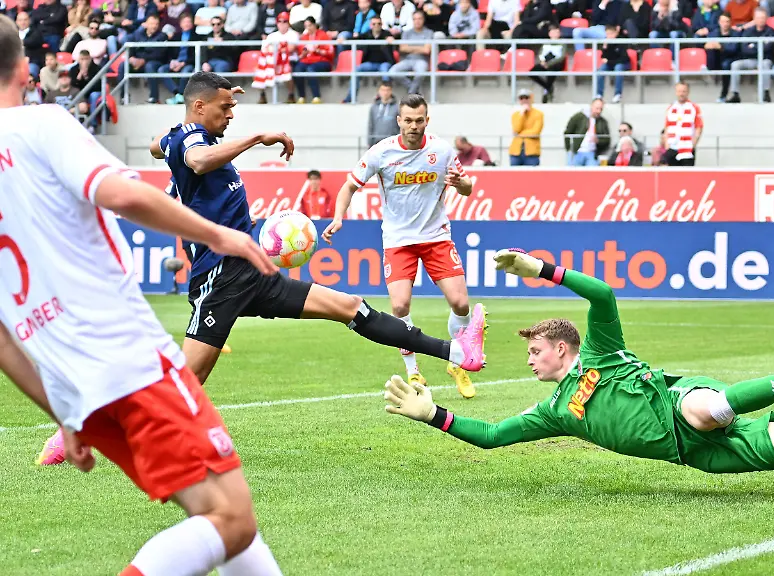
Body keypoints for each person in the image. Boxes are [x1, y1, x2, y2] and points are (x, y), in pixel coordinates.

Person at [0, 14, 286, 573]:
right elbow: (123, 195)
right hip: (127, 360)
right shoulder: (41, 124)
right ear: (25, 68)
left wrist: (63, 413)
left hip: (74, 386)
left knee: (220, 517)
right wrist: (218, 234)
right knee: (231, 519)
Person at [384, 249, 774, 478]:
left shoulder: (598, 351)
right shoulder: (554, 412)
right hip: (695, 455)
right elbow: (492, 436)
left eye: (535, 350)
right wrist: (432, 414)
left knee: (705, 409)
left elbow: (603, 296)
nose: (531, 361)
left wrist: (543, 270)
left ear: (562, 348)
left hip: (683, 403)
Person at [152, 74, 486, 386]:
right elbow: (198, 160)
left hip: (253, 273)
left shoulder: (180, 137)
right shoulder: (193, 141)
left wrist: (192, 120)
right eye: (225, 107)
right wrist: (256, 138)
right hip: (220, 279)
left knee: (352, 306)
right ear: (200, 106)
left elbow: (159, 145)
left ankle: (458, 353)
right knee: (187, 383)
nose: (231, 114)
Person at [323, 94, 483, 399]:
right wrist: (338, 217)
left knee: (461, 304)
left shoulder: (442, 150)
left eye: (419, 120)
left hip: (436, 237)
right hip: (398, 241)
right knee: (399, 307)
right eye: (407, 120)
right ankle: (413, 370)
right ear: (399, 121)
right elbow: (349, 186)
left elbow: (467, 188)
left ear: (427, 120)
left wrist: (460, 182)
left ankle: (458, 363)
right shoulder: (381, 152)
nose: (413, 126)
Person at [252, 11, 297, 104]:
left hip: (289, 59)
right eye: (280, 21)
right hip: (272, 60)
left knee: (287, 69)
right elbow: (265, 49)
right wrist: (279, 48)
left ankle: (291, 95)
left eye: (285, 21)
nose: (282, 24)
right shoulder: (272, 35)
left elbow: (291, 48)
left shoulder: (293, 34)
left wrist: (276, 49)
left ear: (288, 23)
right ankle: (262, 95)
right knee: (257, 70)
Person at [293, 16, 334, 103]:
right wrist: (304, 52)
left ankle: (316, 96)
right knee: (297, 69)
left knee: (310, 69)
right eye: (306, 26)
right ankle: (301, 96)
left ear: (314, 25)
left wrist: (317, 50)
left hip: (322, 61)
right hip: (307, 60)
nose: (308, 28)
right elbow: (301, 54)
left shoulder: (323, 35)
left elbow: (330, 52)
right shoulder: (304, 37)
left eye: (310, 25)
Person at [390, 10, 431, 95]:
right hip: (407, 60)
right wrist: (420, 47)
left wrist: (410, 48)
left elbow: (426, 50)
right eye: (415, 19)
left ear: (423, 20)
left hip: (421, 60)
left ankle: (411, 92)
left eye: (419, 19)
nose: (417, 21)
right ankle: (413, 90)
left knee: (420, 74)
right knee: (392, 72)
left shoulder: (429, 33)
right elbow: (402, 48)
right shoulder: (406, 33)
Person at [663, 80, 702, 166]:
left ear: (688, 92)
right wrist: (666, 144)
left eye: (684, 91)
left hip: (687, 148)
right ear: (676, 92)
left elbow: (699, 127)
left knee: (687, 173)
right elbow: (667, 127)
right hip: (672, 147)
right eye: (679, 91)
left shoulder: (694, 108)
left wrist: (693, 144)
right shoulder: (671, 108)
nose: (681, 94)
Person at [564, 97, 610, 166]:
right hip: (576, 152)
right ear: (591, 106)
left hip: (592, 153)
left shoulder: (603, 122)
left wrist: (598, 141)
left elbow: (607, 139)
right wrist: (569, 149)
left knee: (593, 171)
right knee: (573, 172)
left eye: (601, 109)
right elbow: (567, 133)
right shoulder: (578, 117)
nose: (599, 111)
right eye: (597, 108)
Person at [528, 25, 566, 103]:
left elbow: (561, 57)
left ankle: (546, 91)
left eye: (557, 32)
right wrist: (542, 61)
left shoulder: (563, 43)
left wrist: (549, 64)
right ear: (549, 33)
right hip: (545, 63)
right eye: (553, 32)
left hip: (556, 64)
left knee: (551, 70)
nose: (555, 33)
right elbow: (540, 54)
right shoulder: (546, 43)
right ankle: (548, 88)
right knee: (532, 72)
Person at [596, 24, 629, 103]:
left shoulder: (621, 41)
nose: (609, 36)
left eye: (611, 33)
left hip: (622, 63)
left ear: (616, 33)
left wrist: (609, 61)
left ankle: (617, 94)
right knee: (600, 70)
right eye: (607, 34)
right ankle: (599, 94)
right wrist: (605, 48)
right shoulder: (606, 42)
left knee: (618, 68)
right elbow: (603, 57)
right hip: (610, 64)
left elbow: (623, 58)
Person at [509, 88, 543, 166]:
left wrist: (520, 134)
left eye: (526, 98)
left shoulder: (538, 114)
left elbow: (535, 132)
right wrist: (522, 114)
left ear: (531, 99)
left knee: (531, 173)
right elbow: (516, 129)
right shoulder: (516, 115)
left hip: (531, 153)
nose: (524, 100)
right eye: (521, 98)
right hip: (515, 152)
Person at [366, 81, 399, 145]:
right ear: (379, 91)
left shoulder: (397, 107)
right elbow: (370, 125)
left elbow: (400, 126)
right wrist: (369, 142)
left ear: (391, 91)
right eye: (383, 90)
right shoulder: (373, 107)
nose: (385, 93)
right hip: (376, 142)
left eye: (387, 90)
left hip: (392, 143)